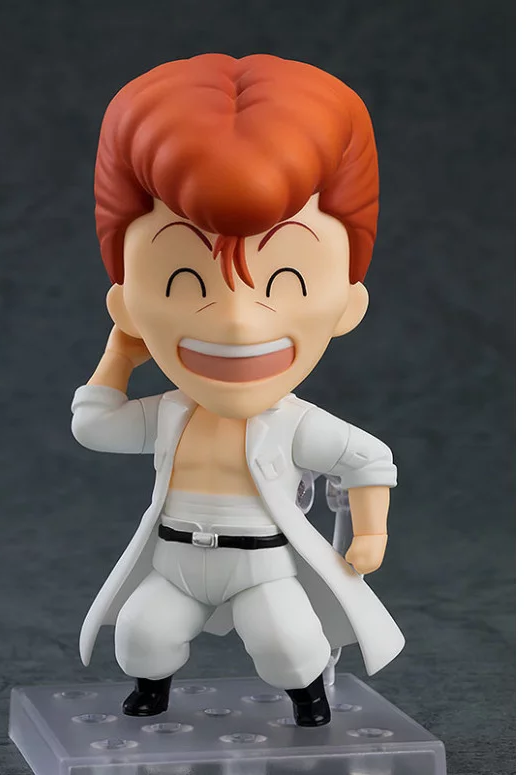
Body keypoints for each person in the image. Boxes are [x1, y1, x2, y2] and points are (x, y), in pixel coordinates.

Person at [71, 53, 404, 727]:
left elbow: (368, 458)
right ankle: (151, 690)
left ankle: (308, 698)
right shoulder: (169, 413)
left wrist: (372, 531)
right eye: (183, 282)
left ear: (347, 303)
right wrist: (116, 358)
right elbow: (95, 426)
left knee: (289, 642)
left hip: (262, 566)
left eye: (286, 281)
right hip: (175, 557)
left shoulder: (294, 423)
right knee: (141, 632)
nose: (236, 322)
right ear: (127, 304)